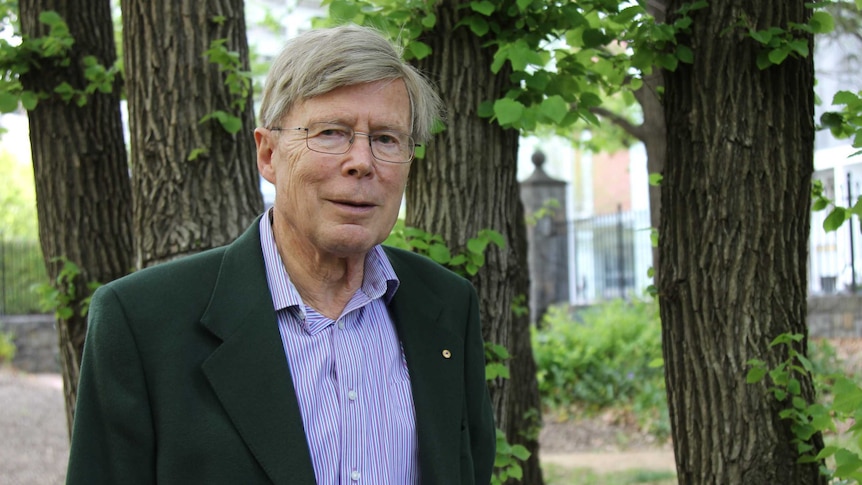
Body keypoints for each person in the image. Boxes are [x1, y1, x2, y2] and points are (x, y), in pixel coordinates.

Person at [65, 24, 496, 485]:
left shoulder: (446, 306)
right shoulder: (143, 322)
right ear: (268, 154)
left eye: (387, 139)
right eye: (331, 132)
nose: (362, 161)